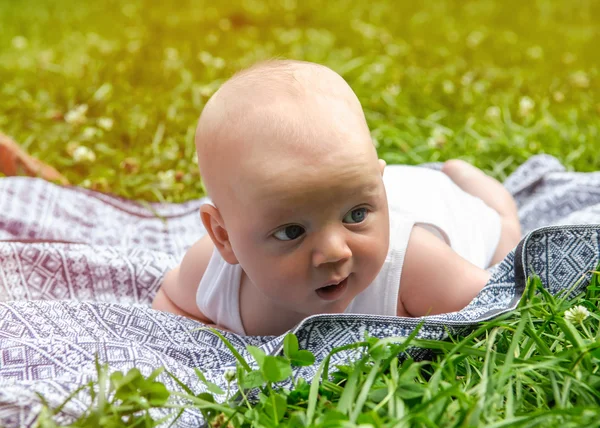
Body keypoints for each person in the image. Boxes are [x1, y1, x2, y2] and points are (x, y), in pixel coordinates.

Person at [152, 60, 521, 336]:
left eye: (358, 214)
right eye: (291, 232)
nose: (335, 252)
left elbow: (498, 307)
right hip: (389, 187)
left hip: (446, 205)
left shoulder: (414, 269)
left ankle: (485, 193)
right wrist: (209, 339)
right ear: (223, 236)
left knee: (503, 239)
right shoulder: (212, 275)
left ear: (379, 187)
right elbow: (169, 304)